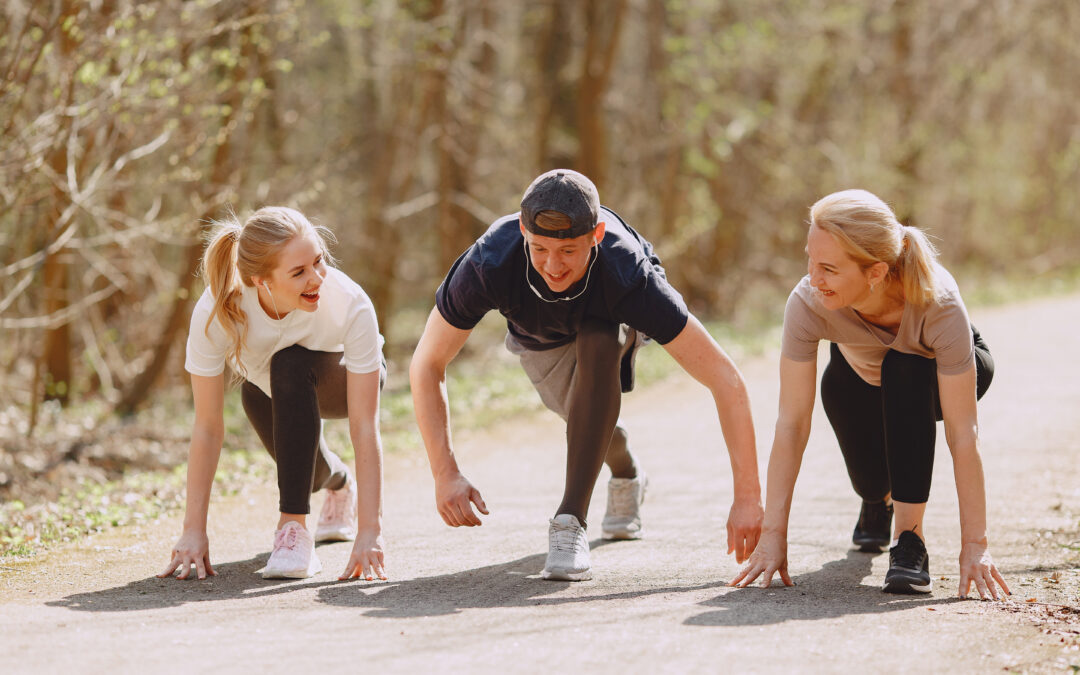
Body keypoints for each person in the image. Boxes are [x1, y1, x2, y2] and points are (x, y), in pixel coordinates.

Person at [409, 169, 763, 581]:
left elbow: (726, 379)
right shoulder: (491, 261)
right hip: (540, 340)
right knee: (589, 428)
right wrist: (444, 472)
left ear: (596, 235)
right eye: (539, 248)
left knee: (600, 335)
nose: (553, 266)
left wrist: (748, 498)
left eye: (568, 251)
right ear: (523, 229)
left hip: (611, 318)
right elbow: (426, 363)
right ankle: (628, 472)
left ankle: (569, 522)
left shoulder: (628, 273)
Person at [732, 189, 1010, 599]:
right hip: (857, 375)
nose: (813, 277)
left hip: (931, 374)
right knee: (871, 479)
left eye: (828, 267)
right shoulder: (808, 303)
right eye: (810, 259)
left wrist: (976, 546)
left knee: (905, 366)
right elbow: (791, 424)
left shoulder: (938, 302)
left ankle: (909, 541)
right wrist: (773, 534)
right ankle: (877, 501)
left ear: (876, 273)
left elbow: (963, 434)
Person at [158, 206, 388, 582]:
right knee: (303, 469)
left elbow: (364, 425)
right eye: (298, 272)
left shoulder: (349, 301)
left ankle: (293, 533)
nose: (316, 278)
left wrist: (370, 532)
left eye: (318, 261)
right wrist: (193, 530)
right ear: (259, 280)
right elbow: (207, 427)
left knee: (289, 363)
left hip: (346, 382)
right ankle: (338, 482)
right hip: (269, 391)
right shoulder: (217, 312)